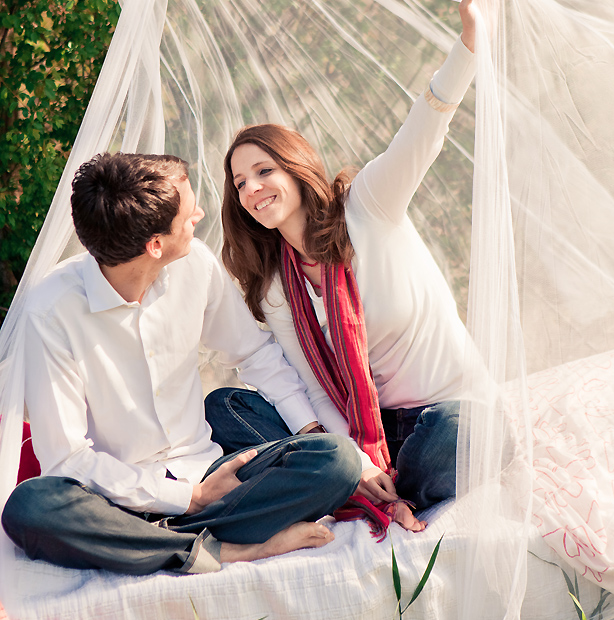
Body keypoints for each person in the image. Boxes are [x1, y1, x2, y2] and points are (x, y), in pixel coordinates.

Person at [211, 0, 506, 531]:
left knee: (465, 436)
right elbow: (314, 388)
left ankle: (355, 490)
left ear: (296, 167)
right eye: (240, 182)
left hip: (442, 415)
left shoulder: (367, 204)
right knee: (227, 405)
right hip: (365, 437)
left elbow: (427, 125)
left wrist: (470, 41)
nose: (252, 188)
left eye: (264, 170)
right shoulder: (275, 286)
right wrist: (358, 461)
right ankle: (360, 485)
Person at [2, 153, 362, 575]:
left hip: (211, 470)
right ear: (155, 245)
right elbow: (67, 461)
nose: (200, 214)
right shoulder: (50, 312)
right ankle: (227, 548)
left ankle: (159, 544)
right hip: (116, 500)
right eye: (189, 211)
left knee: (336, 460)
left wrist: (312, 430)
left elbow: (253, 353)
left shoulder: (195, 264)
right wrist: (190, 498)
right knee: (31, 508)